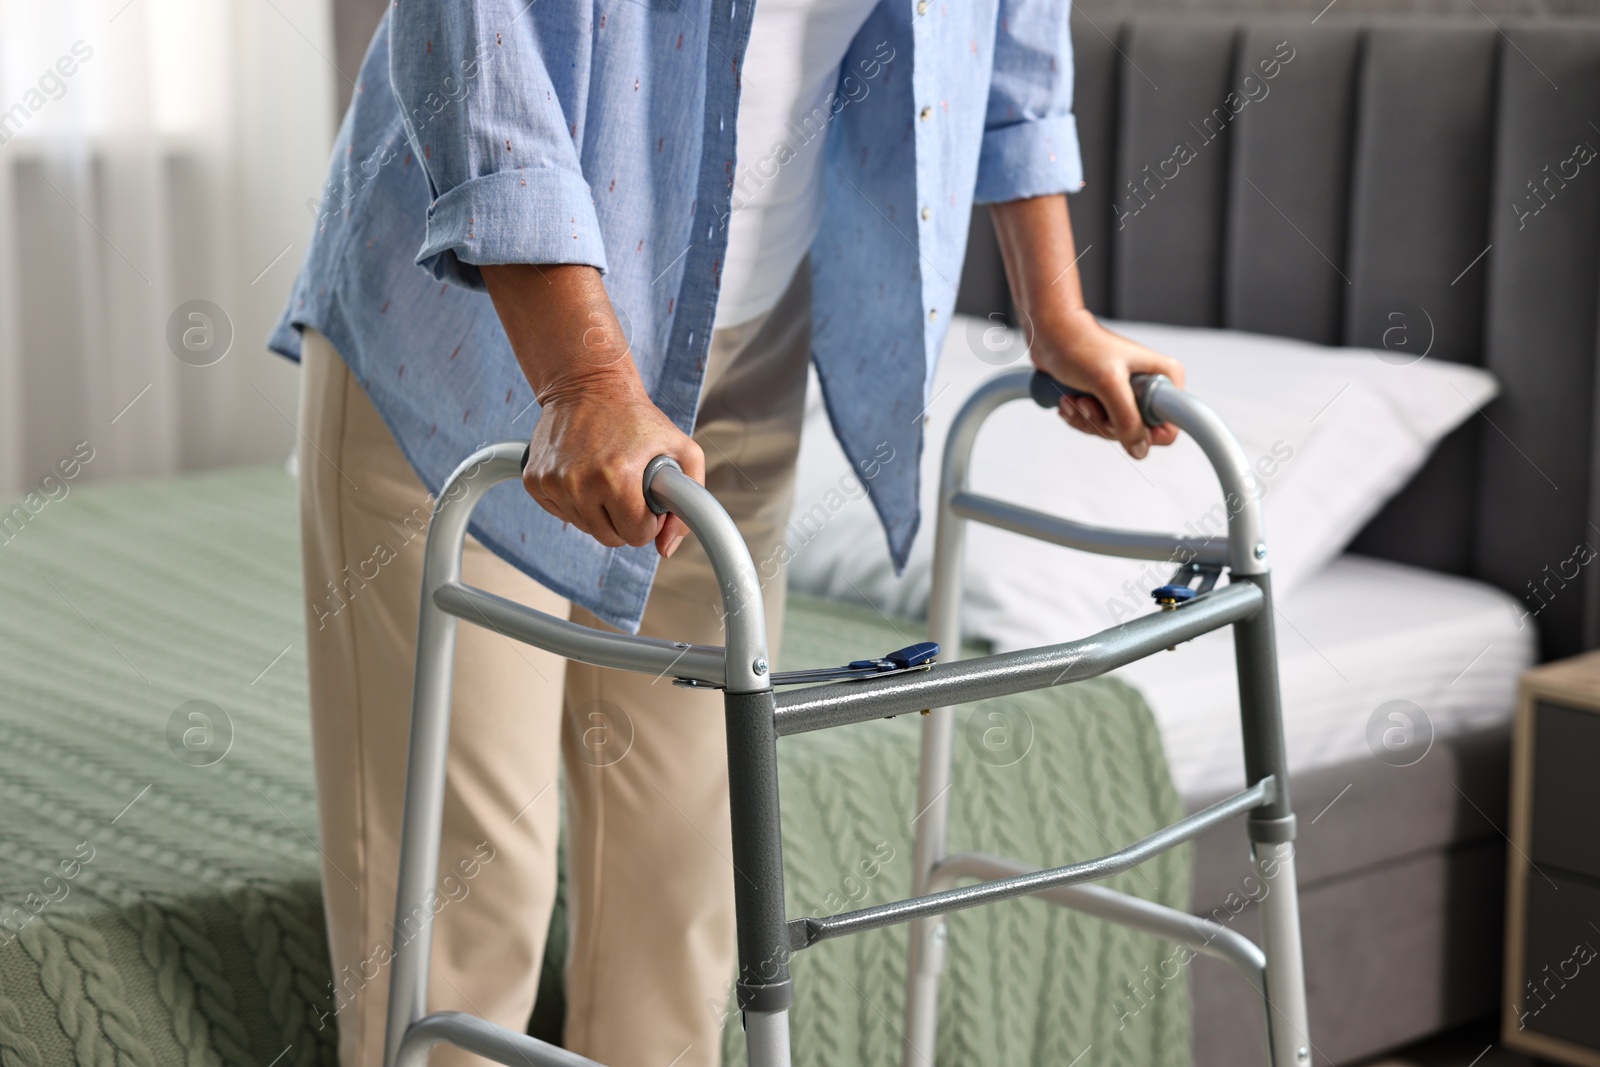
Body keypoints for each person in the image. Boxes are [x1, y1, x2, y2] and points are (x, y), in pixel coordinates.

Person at [270, 2, 1184, 1065]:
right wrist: (585, 375)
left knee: (685, 891)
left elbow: (1008, 33)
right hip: (473, 336)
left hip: (742, 332)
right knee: (468, 898)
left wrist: (1054, 308)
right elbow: (474, 33)